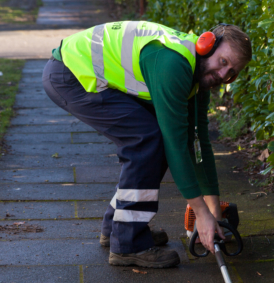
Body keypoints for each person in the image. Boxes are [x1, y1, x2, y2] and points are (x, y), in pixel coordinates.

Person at [42, 21, 252, 268]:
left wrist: (213, 211)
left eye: (231, 73)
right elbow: (175, 144)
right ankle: (128, 244)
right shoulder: (173, 65)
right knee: (147, 139)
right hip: (71, 74)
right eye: (223, 62)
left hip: (80, 73)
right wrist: (201, 213)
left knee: (152, 139)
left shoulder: (198, 76)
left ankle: (118, 229)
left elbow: (197, 141)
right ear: (207, 44)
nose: (222, 75)